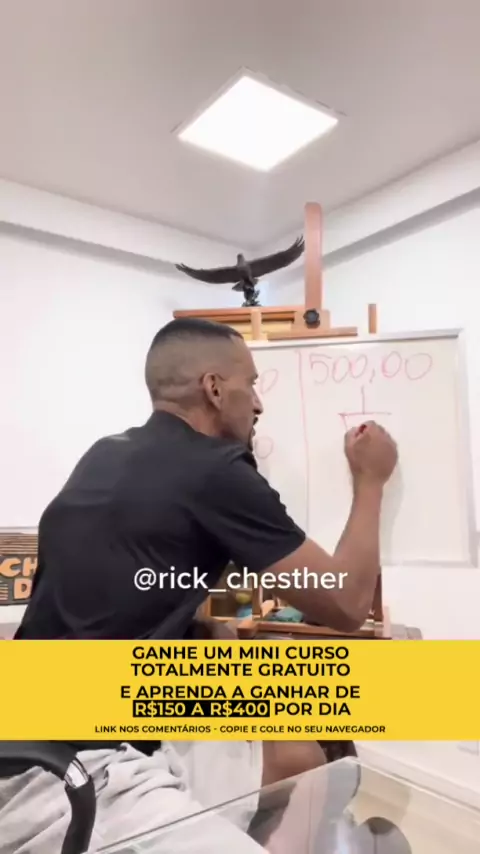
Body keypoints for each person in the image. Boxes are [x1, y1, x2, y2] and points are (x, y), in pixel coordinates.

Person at [1, 318, 398, 854]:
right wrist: (371, 480)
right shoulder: (215, 469)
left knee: (300, 746)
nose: (258, 403)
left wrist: (200, 624)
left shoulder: (105, 454)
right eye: (250, 384)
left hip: (43, 703)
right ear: (214, 388)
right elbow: (347, 603)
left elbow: (124, 580)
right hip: (67, 762)